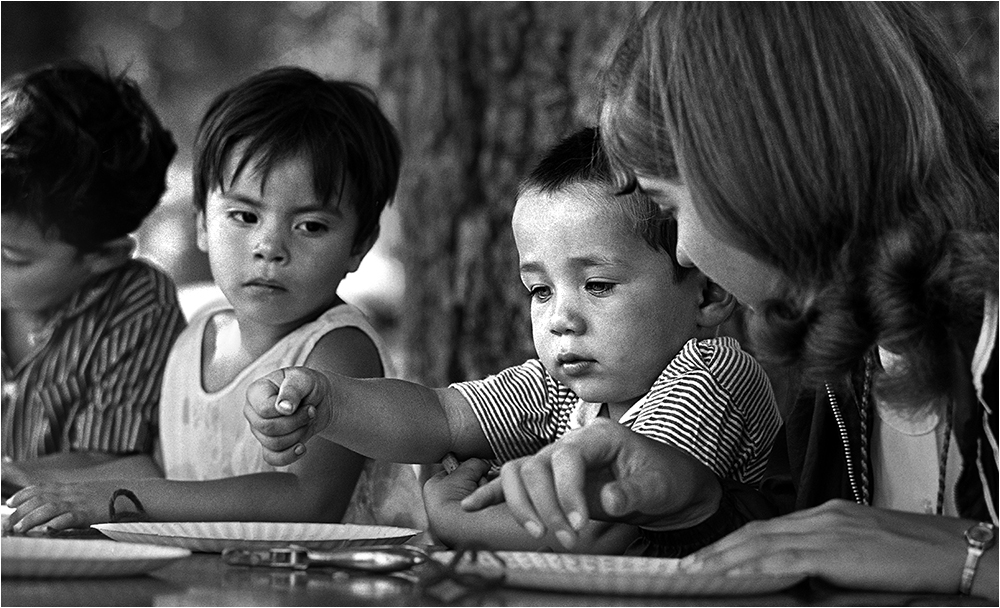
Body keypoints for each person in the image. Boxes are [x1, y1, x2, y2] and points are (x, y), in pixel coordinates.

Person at [460, 2, 998, 600]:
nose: (683, 253)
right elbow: (815, 544)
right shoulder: (845, 352)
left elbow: (883, 547)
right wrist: (697, 503)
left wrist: (963, 552)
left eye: (669, 207)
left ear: (760, 177)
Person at [243, 127, 780, 553]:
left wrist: (454, 518)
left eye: (597, 285)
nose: (561, 319)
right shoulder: (560, 389)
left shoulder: (709, 374)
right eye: (540, 291)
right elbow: (439, 415)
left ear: (708, 294)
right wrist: (329, 403)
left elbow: (599, 528)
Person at [4, 66, 425, 532]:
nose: (270, 247)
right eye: (244, 216)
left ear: (359, 244)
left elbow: (308, 500)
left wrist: (120, 499)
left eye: (311, 226)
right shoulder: (196, 336)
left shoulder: (339, 350)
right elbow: (161, 474)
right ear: (203, 223)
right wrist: (26, 481)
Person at [1, 61, 185, 490]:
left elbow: (112, 462)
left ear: (103, 256)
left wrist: (13, 476)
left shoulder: (138, 306)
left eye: (11, 256)